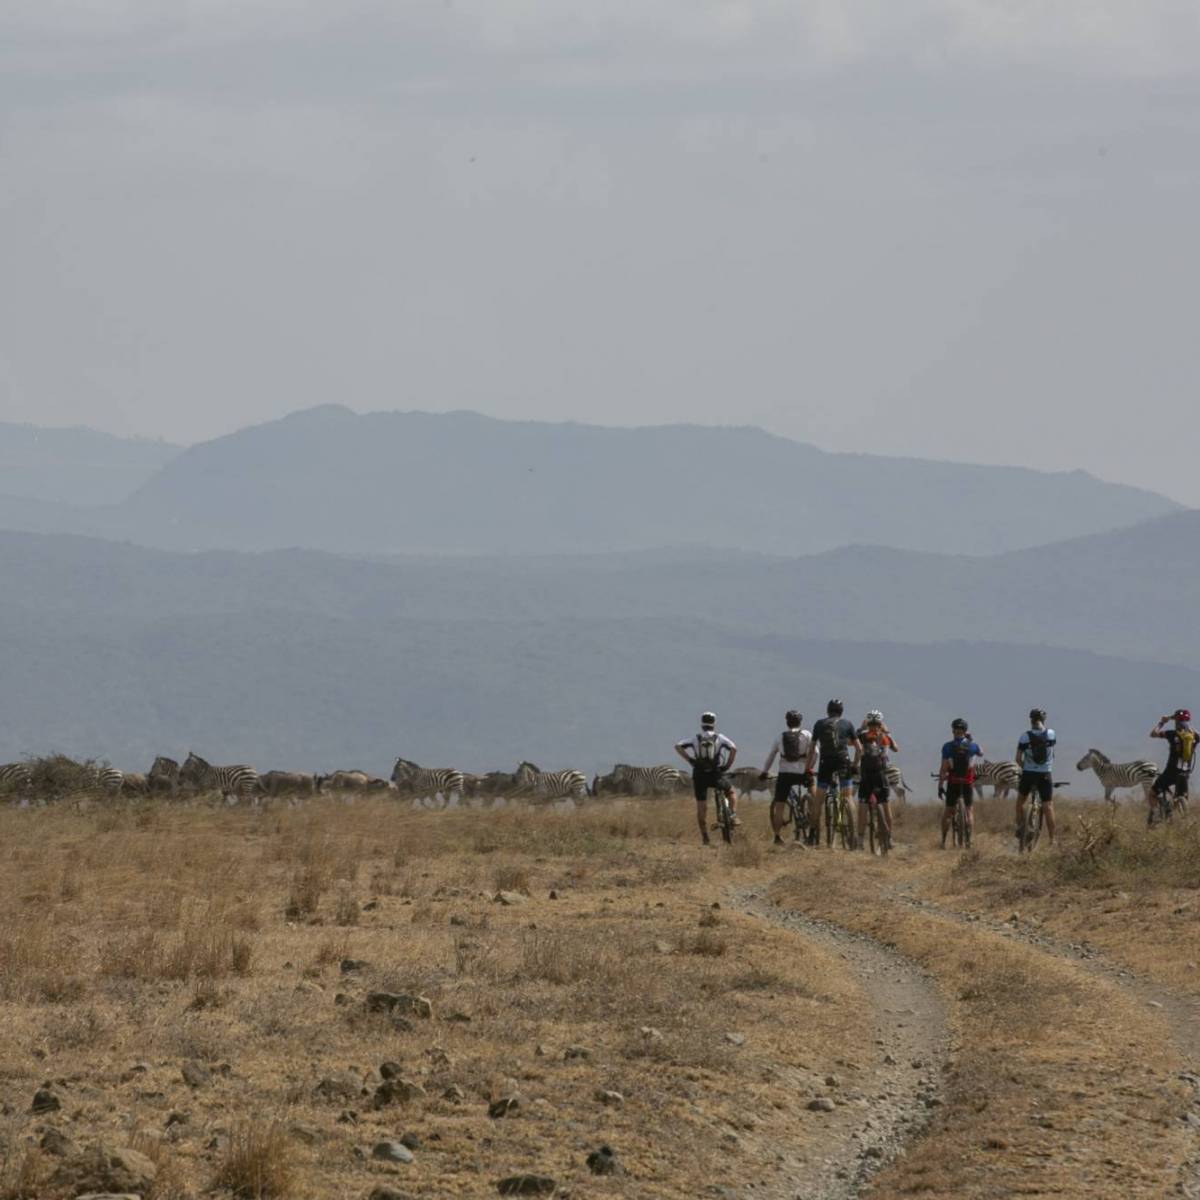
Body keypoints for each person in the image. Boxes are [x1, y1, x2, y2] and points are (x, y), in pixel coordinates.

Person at [675, 712, 739, 845]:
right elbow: (733, 748)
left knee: (701, 806)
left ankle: (705, 836)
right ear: (714, 724)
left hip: (699, 775)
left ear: (702, 724)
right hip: (715, 774)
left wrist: (690, 760)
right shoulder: (720, 738)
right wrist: (727, 765)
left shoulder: (695, 738)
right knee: (731, 792)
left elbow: (678, 746)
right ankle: (732, 815)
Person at [806, 699, 859, 847]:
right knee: (847, 797)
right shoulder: (848, 724)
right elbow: (859, 749)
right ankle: (853, 834)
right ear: (841, 711)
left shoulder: (819, 724)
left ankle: (811, 834)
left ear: (827, 710)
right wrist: (854, 765)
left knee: (819, 799)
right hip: (843, 760)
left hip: (826, 763)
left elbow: (811, 749)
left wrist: (807, 768)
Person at [761, 710, 813, 845]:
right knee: (812, 792)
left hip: (785, 774)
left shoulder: (780, 737)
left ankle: (777, 837)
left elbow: (771, 756)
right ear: (800, 722)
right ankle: (813, 819)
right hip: (802, 772)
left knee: (779, 806)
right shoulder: (807, 735)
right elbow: (816, 752)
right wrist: (809, 768)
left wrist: (764, 772)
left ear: (787, 722)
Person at [854, 710, 897, 848]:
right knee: (885, 805)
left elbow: (851, 743)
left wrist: (861, 728)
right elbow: (896, 748)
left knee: (863, 807)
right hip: (881, 775)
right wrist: (887, 732)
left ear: (868, 723)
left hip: (866, 775)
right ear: (880, 723)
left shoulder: (862, 735)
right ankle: (889, 838)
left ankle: (860, 840)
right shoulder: (885, 736)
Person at [1015, 707, 1057, 847]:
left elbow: (1018, 758)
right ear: (1044, 720)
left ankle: (1021, 827)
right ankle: (1052, 839)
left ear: (1031, 720)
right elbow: (1052, 753)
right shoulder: (1051, 734)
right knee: (1048, 806)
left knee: (1020, 801)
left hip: (1028, 773)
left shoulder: (1024, 736)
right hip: (1045, 774)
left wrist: (1025, 768)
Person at [938, 717, 982, 848]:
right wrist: (970, 740)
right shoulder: (972, 746)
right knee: (969, 811)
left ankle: (943, 840)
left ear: (953, 731)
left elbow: (943, 768)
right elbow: (981, 752)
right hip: (968, 782)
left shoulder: (947, 747)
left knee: (948, 812)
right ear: (965, 731)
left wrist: (940, 785)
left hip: (953, 782)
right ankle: (969, 840)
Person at [1149, 708, 1196, 821]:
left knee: (1152, 792)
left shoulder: (1171, 734)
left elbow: (1153, 734)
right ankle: (1182, 819)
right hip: (1185, 773)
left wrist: (1163, 722)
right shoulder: (1195, 735)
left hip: (1171, 772)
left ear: (1176, 721)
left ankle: (1156, 815)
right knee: (1181, 796)